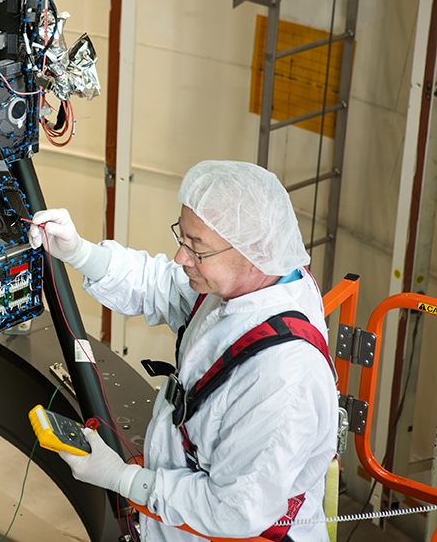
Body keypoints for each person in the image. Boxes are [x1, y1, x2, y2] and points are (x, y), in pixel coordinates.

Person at [28, 160, 338, 542]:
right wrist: (79, 252)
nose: (181, 257)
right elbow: (162, 285)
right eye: (182, 238)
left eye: (198, 249)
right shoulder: (252, 284)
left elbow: (233, 512)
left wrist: (123, 478)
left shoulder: (283, 380)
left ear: (257, 251)